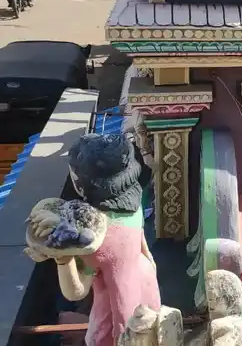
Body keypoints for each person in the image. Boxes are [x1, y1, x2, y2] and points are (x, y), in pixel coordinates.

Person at [30, 134, 161, 346]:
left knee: (115, 335)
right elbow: (143, 246)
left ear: (82, 183)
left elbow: (75, 292)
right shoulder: (134, 208)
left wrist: (62, 258)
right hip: (144, 281)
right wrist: (150, 267)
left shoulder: (96, 238)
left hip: (115, 305)